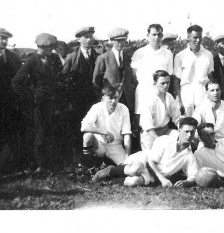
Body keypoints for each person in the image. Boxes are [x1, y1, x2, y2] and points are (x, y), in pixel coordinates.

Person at [93, 117, 199, 188]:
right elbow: (149, 162)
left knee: (133, 182)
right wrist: (162, 180)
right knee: (135, 170)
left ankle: (108, 181)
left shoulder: (189, 155)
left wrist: (186, 182)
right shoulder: (165, 140)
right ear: (179, 130)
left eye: (192, 132)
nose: (189, 135)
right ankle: (109, 171)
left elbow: (193, 176)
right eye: (186, 131)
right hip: (144, 161)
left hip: (154, 174)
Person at [12, 33, 66, 173]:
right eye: (48, 48)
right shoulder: (31, 61)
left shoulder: (54, 58)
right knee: (40, 134)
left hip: (54, 102)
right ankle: (40, 165)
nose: (51, 51)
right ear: (40, 47)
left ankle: (53, 163)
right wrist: (32, 96)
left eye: (52, 48)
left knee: (53, 132)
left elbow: (60, 78)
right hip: (39, 104)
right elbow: (17, 82)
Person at [62, 26, 99, 161]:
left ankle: (95, 156)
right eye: (86, 37)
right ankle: (78, 158)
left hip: (94, 100)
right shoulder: (71, 58)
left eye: (91, 36)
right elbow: (64, 81)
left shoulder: (98, 56)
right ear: (79, 39)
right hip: (77, 100)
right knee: (78, 128)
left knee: (94, 127)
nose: (89, 40)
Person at [81, 84, 132, 174]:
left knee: (128, 169)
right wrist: (104, 132)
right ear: (104, 97)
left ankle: (106, 170)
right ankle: (89, 168)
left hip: (116, 146)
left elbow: (127, 134)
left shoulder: (123, 109)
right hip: (99, 145)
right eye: (110, 98)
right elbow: (84, 127)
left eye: (116, 98)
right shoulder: (97, 107)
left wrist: (128, 155)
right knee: (87, 136)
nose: (113, 101)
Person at [131, 24, 173, 119]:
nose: (156, 37)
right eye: (153, 34)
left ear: (162, 36)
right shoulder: (139, 53)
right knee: (142, 118)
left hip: (161, 90)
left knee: (159, 117)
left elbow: (169, 74)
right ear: (148, 35)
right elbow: (133, 76)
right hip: (144, 90)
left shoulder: (168, 53)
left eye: (159, 35)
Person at [93, 27, 136, 114]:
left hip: (127, 97)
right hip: (111, 98)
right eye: (118, 41)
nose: (120, 43)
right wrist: (103, 96)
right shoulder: (103, 58)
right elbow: (96, 82)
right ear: (112, 41)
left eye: (123, 40)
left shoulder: (128, 57)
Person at [174, 25, 214, 116]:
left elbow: (210, 77)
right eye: (195, 37)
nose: (198, 40)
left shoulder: (208, 55)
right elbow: (176, 79)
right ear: (188, 37)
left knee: (203, 120)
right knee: (187, 121)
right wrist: (178, 100)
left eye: (200, 37)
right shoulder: (180, 56)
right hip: (186, 91)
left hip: (202, 91)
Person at [139, 70, 181, 150]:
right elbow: (147, 126)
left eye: (168, 82)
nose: (166, 85)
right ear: (154, 84)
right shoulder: (148, 99)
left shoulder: (169, 97)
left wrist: (183, 130)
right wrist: (159, 141)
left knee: (178, 137)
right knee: (153, 159)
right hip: (150, 135)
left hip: (165, 132)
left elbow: (177, 118)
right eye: (162, 83)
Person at [0, 28, 22, 171]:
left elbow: (19, 76)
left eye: (5, 39)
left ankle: (8, 165)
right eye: (1, 38)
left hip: (10, 101)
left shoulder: (13, 56)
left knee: (10, 131)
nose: (3, 41)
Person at [192, 79, 224, 146]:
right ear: (206, 92)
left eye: (217, 90)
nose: (215, 93)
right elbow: (194, 128)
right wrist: (202, 143)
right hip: (206, 144)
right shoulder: (200, 108)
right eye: (212, 90)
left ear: (221, 91)